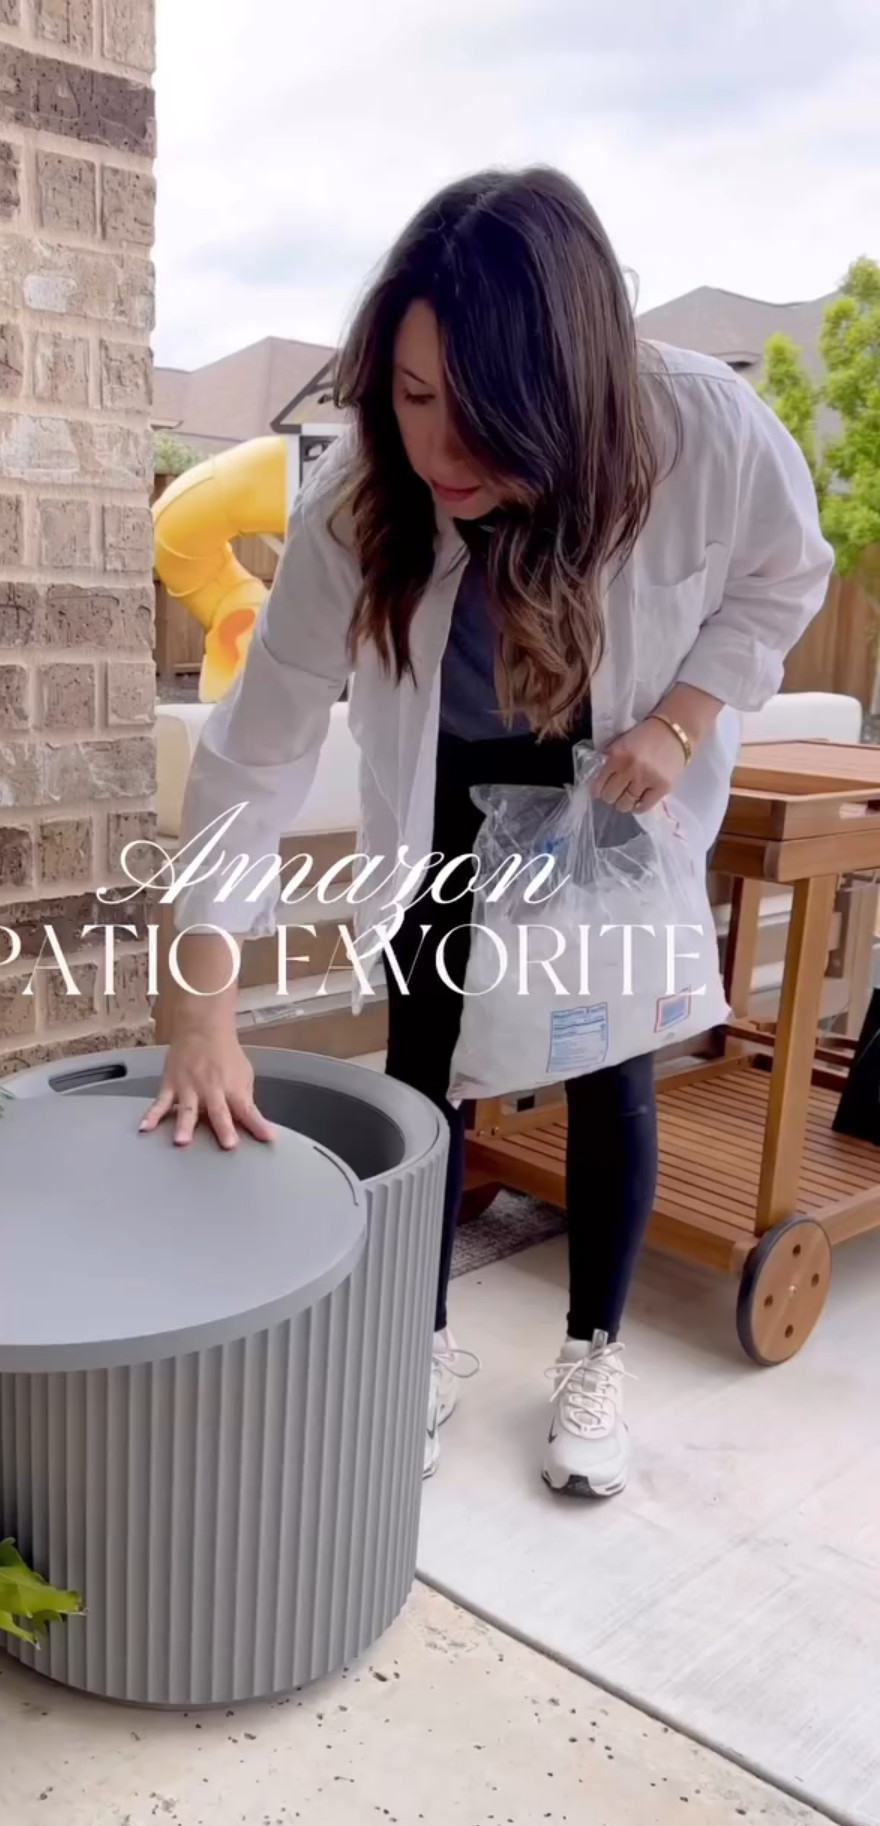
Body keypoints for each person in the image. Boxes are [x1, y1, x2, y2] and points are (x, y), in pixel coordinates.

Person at [140, 168, 833, 1498]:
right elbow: (259, 743)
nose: (440, 453)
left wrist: (682, 720)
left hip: (609, 798)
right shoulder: (363, 496)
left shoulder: (705, 428)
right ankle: (420, 1342)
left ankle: (593, 1354)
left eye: (483, 415)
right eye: (410, 398)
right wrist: (202, 1006)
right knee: (422, 1076)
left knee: (609, 1072)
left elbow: (783, 574)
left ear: (570, 391)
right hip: (446, 801)